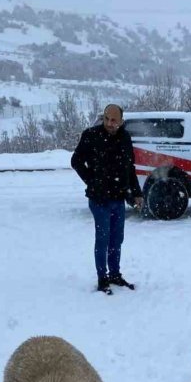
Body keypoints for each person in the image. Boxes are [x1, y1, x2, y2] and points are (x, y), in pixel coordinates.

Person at [71, 104, 144, 294]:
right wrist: (92, 182)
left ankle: (115, 275)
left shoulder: (125, 138)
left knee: (116, 239)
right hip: (99, 199)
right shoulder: (91, 135)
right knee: (103, 239)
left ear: (121, 121)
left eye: (113, 120)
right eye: (106, 119)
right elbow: (76, 161)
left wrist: (136, 193)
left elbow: (130, 167)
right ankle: (102, 279)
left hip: (118, 198)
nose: (109, 123)